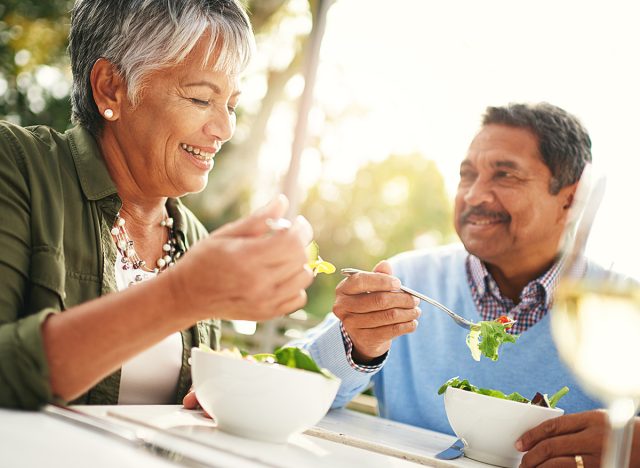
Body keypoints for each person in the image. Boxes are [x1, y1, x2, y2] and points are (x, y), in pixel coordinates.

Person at [0, 0, 314, 410]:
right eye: (202, 99)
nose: (224, 129)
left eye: (231, 105)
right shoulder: (18, 165)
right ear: (110, 87)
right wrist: (182, 294)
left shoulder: (196, 240)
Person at [295, 102, 639, 467]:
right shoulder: (405, 282)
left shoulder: (621, 308)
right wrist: (358, 346)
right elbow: (288, 382)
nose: (474, 195)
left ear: (570, 199)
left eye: (505, 175)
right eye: (467, 174)